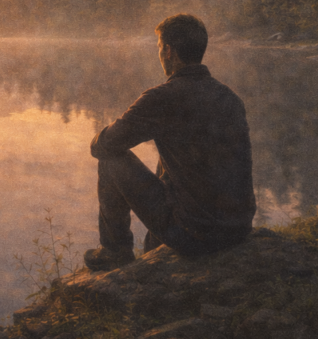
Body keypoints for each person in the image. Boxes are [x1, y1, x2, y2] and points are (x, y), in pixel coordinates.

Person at [84, 14, 256, 271]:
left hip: (197, 238)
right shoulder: (229, 98)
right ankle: (154, 249)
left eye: (159, 48)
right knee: (174, 158)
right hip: (237, 230)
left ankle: (115, 251)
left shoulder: (163, 97)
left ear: (168, 51)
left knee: (112, 161)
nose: (159, 54)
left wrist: (106, 131)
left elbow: (103, 146)